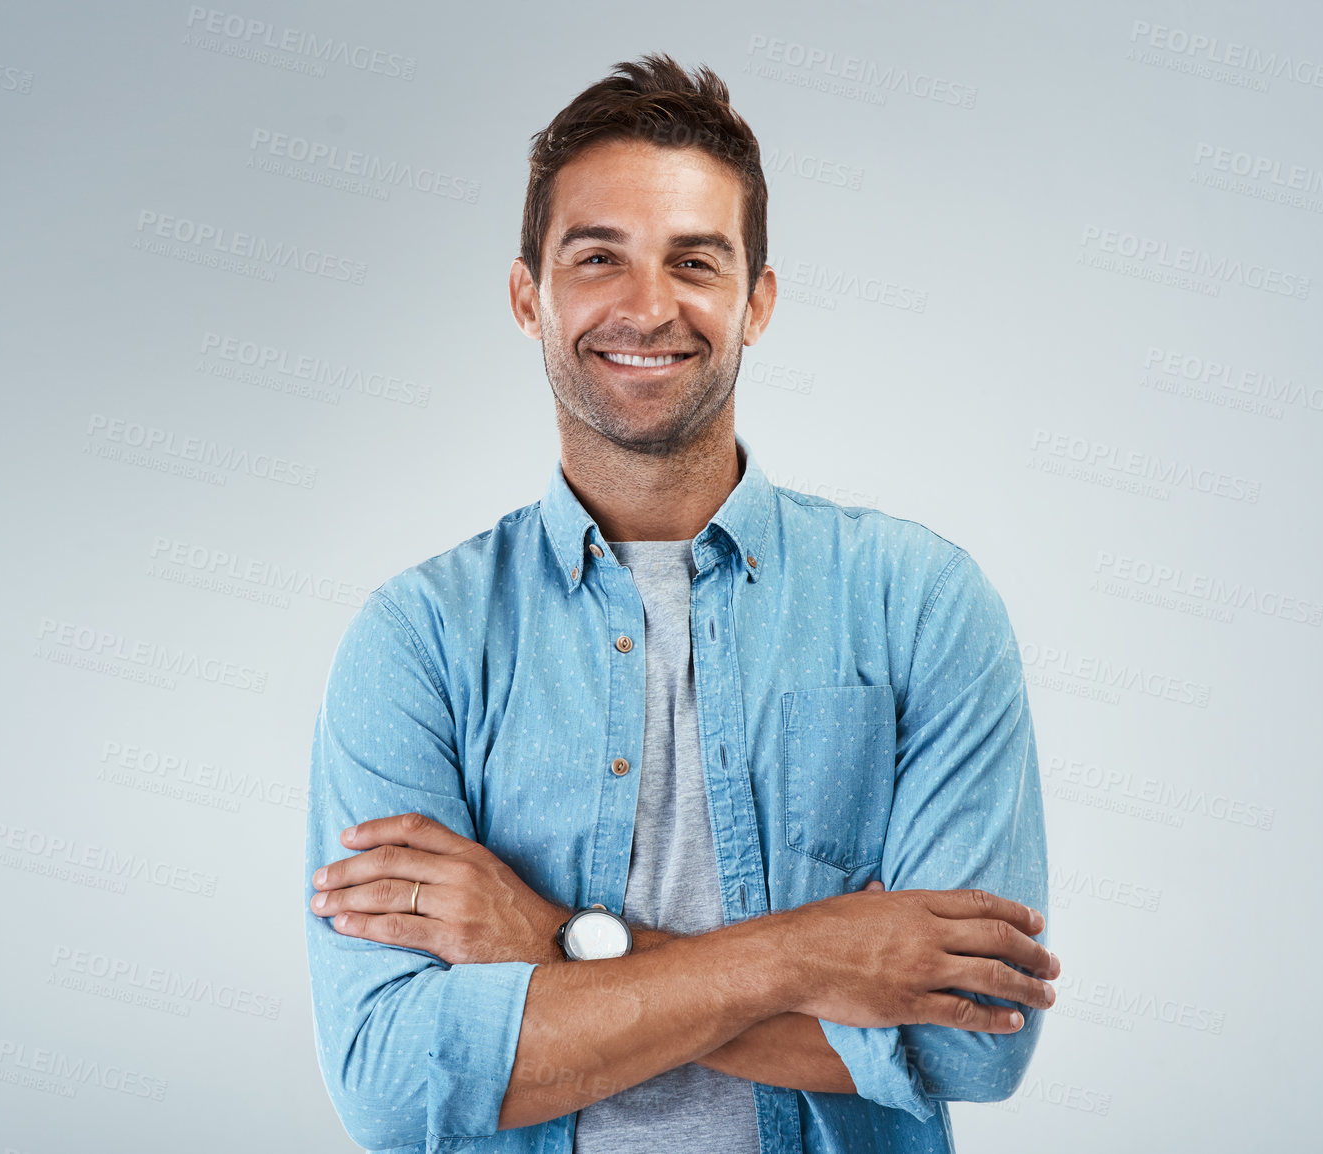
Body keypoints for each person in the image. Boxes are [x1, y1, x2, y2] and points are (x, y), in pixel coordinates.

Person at [303, 53, 1057, 1154]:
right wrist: (809, 953)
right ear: (530, 297)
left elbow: (974, 1040)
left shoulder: (919, 603)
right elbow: (395, 1075)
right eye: (597, 256)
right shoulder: (416, 639)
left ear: (755, 301)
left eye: (693, 261)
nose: (647, 307)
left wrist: (551, 941)